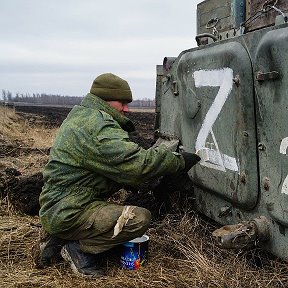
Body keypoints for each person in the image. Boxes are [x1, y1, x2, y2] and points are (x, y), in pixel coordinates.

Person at [38, 73, 200, 277]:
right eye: (122, 102)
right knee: (138, 219)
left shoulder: (82, 116)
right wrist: (179, 161)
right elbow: (138, 165)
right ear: (104, 100)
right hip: (69, 210)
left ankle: (59, 237)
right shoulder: (97, 127)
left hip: (60, 205)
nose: (126, 109)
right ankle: (78, 249)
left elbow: (113, 166)